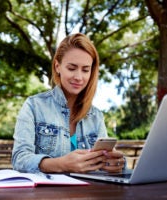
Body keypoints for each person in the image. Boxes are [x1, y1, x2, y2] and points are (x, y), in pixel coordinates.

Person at [12, 33, 125, 174]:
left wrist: (115, 163)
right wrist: (61, 164)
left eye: (85, 70)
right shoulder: (34, 106)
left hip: (89, 194)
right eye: (72, 68)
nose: (79, 77)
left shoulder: (96, 116)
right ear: (57, 66)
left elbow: (105, 164)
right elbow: (19, 159)